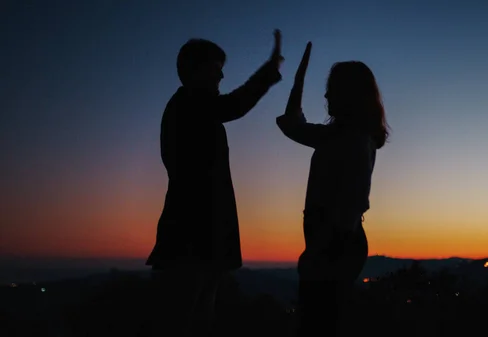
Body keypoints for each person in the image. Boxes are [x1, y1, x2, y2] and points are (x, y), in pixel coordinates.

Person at [140, 30, 284, 337]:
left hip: (201, 230)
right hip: (192, 231)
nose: (221, 74)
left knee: (199, 312)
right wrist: (268, 72)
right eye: (215, 67)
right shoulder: (190, 104)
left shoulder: (190, 107)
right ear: (193, 71)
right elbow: (235, 104)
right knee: (183, 315)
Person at [276, 42, 390, 336]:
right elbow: (293, 126)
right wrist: (298, 82)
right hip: (330, 239)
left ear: (349, 95)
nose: (326, 95)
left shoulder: (352, 139)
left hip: (335, 241)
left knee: (319, 323)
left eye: (332, 89)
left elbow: (354, 201)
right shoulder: (336, 135)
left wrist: (323, 248)